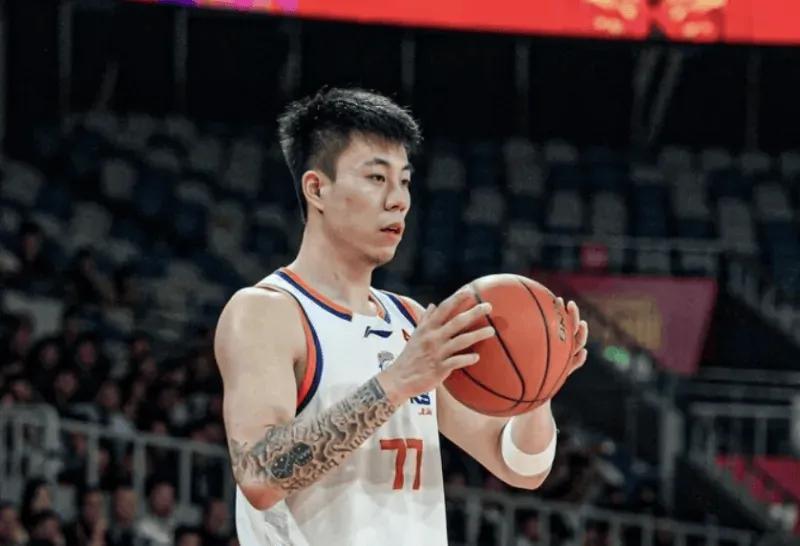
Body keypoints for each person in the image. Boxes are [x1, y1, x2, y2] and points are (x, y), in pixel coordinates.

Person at [214, 88, 589, 545]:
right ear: (317, 188)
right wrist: (396, 383)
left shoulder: (412, 320)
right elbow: (259, 475)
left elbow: (521, 468)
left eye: (405, 181)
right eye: (376, 178)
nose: (399, 201)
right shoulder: (265, 312)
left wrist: (538, 388)